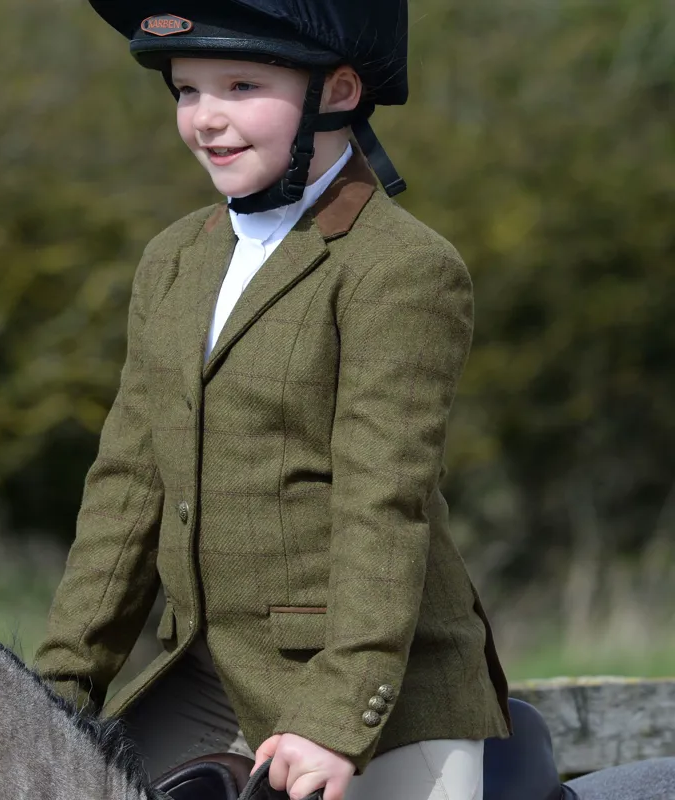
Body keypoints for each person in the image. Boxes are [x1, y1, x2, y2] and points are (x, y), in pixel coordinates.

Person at [34, 2, 512, 799]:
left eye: (241, 84)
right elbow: (127, 488)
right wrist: (58, 686)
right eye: (187, 91)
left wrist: (335, 719)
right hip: (205, 676)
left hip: (372, 695)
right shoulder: (174, 258)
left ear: (339, 89)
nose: (206, 120)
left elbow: (381, 505)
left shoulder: (401, 269)